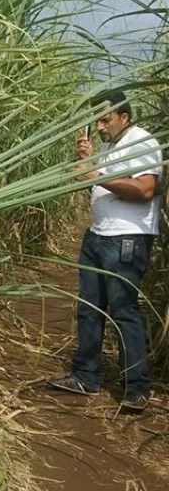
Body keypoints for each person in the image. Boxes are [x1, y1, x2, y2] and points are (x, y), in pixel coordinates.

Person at [48, 90, 162, 412]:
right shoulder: (112, 146)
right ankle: (86, 376)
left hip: (125, 240)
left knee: (124, 310)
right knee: (89, 308)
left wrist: (96, 173)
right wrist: (87, 161)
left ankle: (136, 388)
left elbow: (145, 189)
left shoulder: (141, 141)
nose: (98, 126)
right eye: (95, 120)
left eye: (104, 119)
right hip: (98, 237)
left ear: (124, 117)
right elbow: (101, 184)